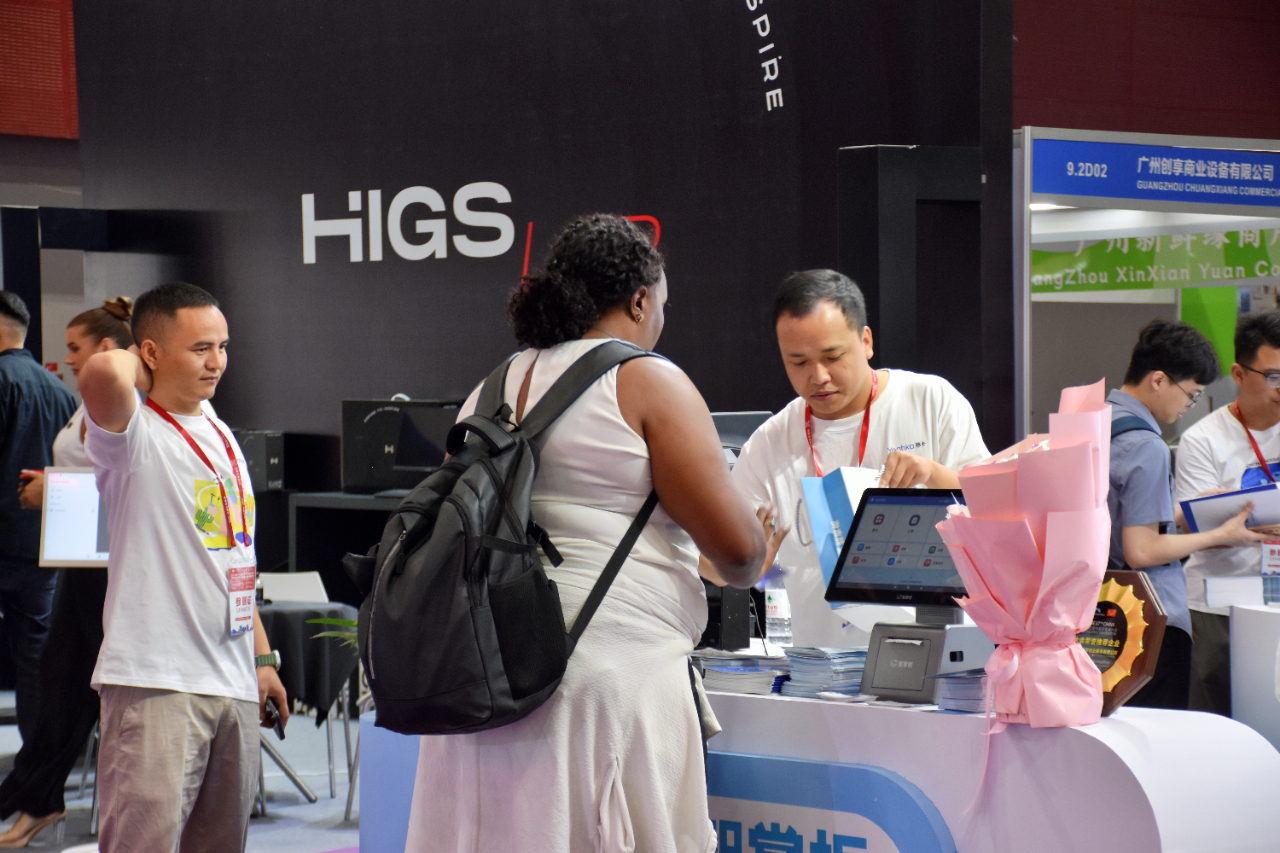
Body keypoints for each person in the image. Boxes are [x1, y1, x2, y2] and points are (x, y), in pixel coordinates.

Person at [403, 214, 767, 852]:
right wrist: (756, 532)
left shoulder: (489, 388)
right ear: (639, 300)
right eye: (662, 304)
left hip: (485, 677)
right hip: (603, 679)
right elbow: (738, 555)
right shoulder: (647, 379)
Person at [77, 282, 288, 852]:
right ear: (149, 352)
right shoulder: (132, 435)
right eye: (200, 349)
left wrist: (261, 658)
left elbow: (233, 560)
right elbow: (102, 371)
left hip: (232, 679)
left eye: (222, 346)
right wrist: (141, 371)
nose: (216, 362)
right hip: (156, 684)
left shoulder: (218, 428)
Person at [728, 269, 990, 647]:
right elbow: (720, 563)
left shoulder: (931, 401)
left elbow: (995, 512)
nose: (818, 376)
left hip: (934, 655)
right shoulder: (770, 443)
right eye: (798, 362)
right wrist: (743, 567)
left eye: (833, 357)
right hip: (822, 665)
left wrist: (932, 474)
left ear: (866, 341)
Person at [0, 298, 134, 848]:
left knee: (66, 685)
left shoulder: (128, 405)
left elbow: (123, 490)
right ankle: (34, 796)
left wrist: (50, 490)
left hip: (104, 567)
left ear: (106, 348)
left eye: (76, 348)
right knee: (59, 681)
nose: (69, 358)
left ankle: (30, 796)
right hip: (76, 559)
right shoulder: (72, 399)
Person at [1106, 319, 1265, 711]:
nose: (1188, 407)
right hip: (1146, 616)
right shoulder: (1146, 446)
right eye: (1191, 395)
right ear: (1159, 380)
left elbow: (1121, 518)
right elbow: (1142, 550)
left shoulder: (1099, 420)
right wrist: (1222, 534)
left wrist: (1187, 510)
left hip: (1103, 610)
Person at [1176, 310, 1280, 716]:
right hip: (1219, 605)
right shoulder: (1202, 439)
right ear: (1238, 373)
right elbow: (1196, 528)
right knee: (1215, 720)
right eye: (1273, 376)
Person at [0, 292, 76, 744]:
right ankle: (37, 761)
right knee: (34, 656)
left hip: (3, 540)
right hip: (45, 547)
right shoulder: (62, 392)